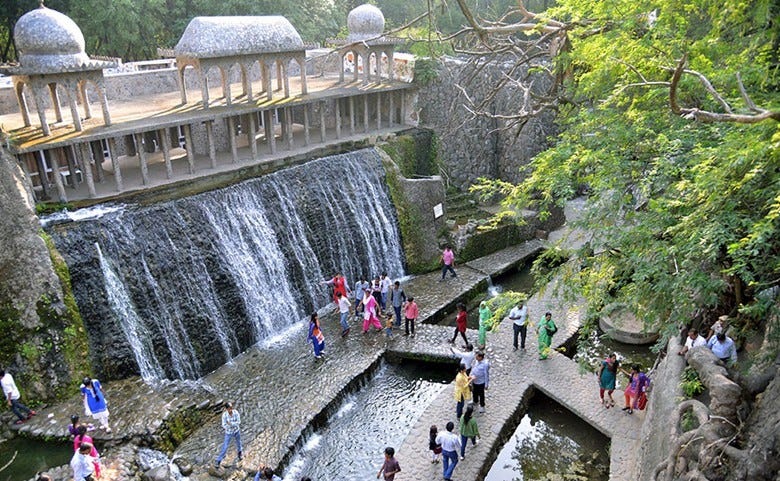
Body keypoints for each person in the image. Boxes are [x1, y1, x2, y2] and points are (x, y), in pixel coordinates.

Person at [215, 402, 242, 467]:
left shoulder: (236, 412)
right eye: (230, 408)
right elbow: (224, 425)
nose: (231, 409)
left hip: (236, 431)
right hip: (228, 433)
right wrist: (231, 424)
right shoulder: (224, 415)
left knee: (239, 443)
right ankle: (218, 460)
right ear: (226, 409)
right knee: (225, 446)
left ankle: (240, 454)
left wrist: (230, 424)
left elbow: (239, 422)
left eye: (231, 408)